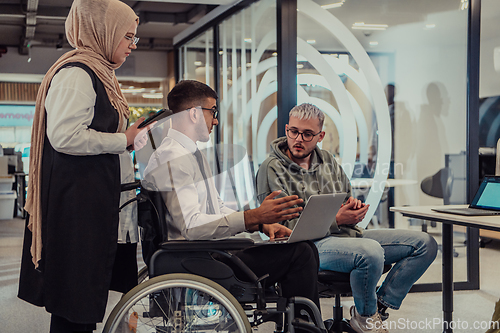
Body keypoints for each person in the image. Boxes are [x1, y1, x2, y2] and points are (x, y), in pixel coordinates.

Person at [18, 0, 148, 332]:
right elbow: (64, 136)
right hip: (78, 209)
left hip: (92, 205)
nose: (133, 45)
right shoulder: (77, 74)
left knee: (83, 299)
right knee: (73, 304)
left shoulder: (100, 72)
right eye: (127, 37)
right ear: (103, 33)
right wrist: (125, 140)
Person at [142, 80, 321, 318]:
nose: (215, 120)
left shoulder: (190, 153)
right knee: (301, 253)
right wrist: (250, 218)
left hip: (207, 251)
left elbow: (216, 207)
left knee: (301, 247)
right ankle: (304, 324)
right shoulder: (173, 156)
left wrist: (259, 223)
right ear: (194, 114)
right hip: (195, 258)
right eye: (212, 112)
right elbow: (191, 226)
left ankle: (302, 322)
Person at [256, 103, 438, 333]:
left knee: (425, 244)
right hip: (306, 248)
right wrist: (338, 219)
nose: (298, 139)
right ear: (286, 129)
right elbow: (283, 228)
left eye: (307, 134)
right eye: (293, 131)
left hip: (346, 235)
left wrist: (352, 209)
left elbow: (345, 198)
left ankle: (373, 311)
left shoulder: (328, 161)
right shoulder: (271, 168)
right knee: (370, 252)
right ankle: (367, 316)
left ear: (320, 136)